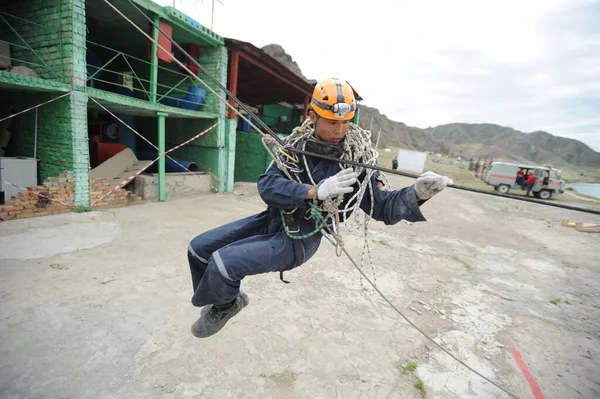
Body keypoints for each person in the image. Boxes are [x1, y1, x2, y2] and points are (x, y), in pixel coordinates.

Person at [186, 78, 454, 338]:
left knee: (224, 263)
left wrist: (416, 195)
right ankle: (224, 298)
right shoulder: (295, 149)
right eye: (331, 122)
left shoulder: (356, 161)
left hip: (300, 237)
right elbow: (267, 186)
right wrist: (314, 191)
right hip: (273, 219)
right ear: (313, 117)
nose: (339, 130)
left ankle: (225, 304)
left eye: (345, 123)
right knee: (199, 249)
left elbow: (383, 208)